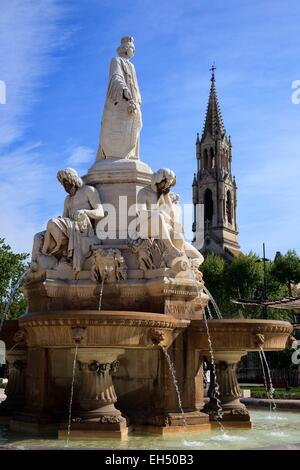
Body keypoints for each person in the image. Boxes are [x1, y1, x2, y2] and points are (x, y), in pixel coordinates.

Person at [42, 168, 104, 272]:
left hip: (83, 228)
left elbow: (100, 212)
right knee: (39, 236)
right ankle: (43, 256)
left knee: (52, 223)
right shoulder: (67, 199)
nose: (64, 185)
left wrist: (85, 212)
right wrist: (60, 220)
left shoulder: (88, 190)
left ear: (73, 180)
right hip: (69, 227)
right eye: (62, 183)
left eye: (66, 182)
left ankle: (50, 252)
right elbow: (64, 217)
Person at [97, 36, 142, 160]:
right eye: (132, 48)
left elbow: (135, 85)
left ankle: (132, 154)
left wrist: (137, 98)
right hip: (121, 101)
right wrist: (124, 90)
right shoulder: (116, 60)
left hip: (134, 103)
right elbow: (116, 77)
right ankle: (116, 154)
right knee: (120, 128)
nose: (133, 51)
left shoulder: (132, 66)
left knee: (138, 125)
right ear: (126, 49)